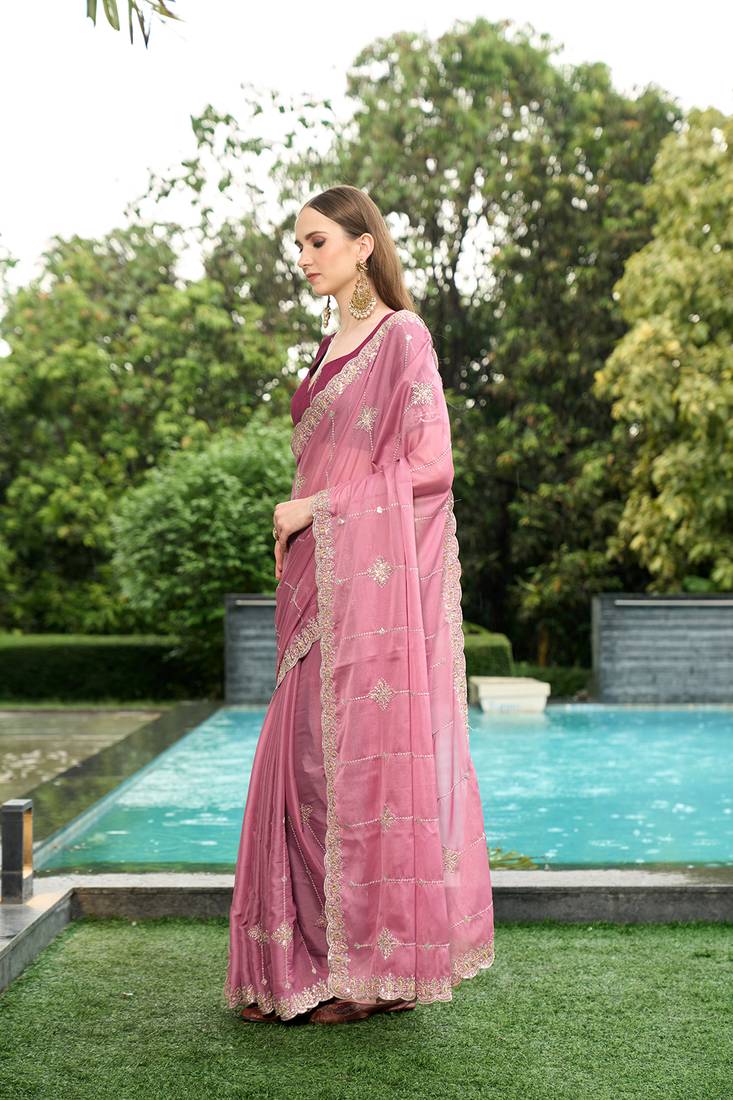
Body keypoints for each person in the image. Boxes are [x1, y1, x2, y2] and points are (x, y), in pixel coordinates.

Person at [223, 185, 495, 1025]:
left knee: (348, 768)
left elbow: (432, 466)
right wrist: (306, 516)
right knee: (301, 768)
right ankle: (304, 966)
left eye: (316, 241)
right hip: (315, 578)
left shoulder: (401, 336)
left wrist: (317, 507)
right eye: (298, 245)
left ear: (362, 245)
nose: (304, 257)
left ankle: (372, 975)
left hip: (363, 579)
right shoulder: (323, 347)